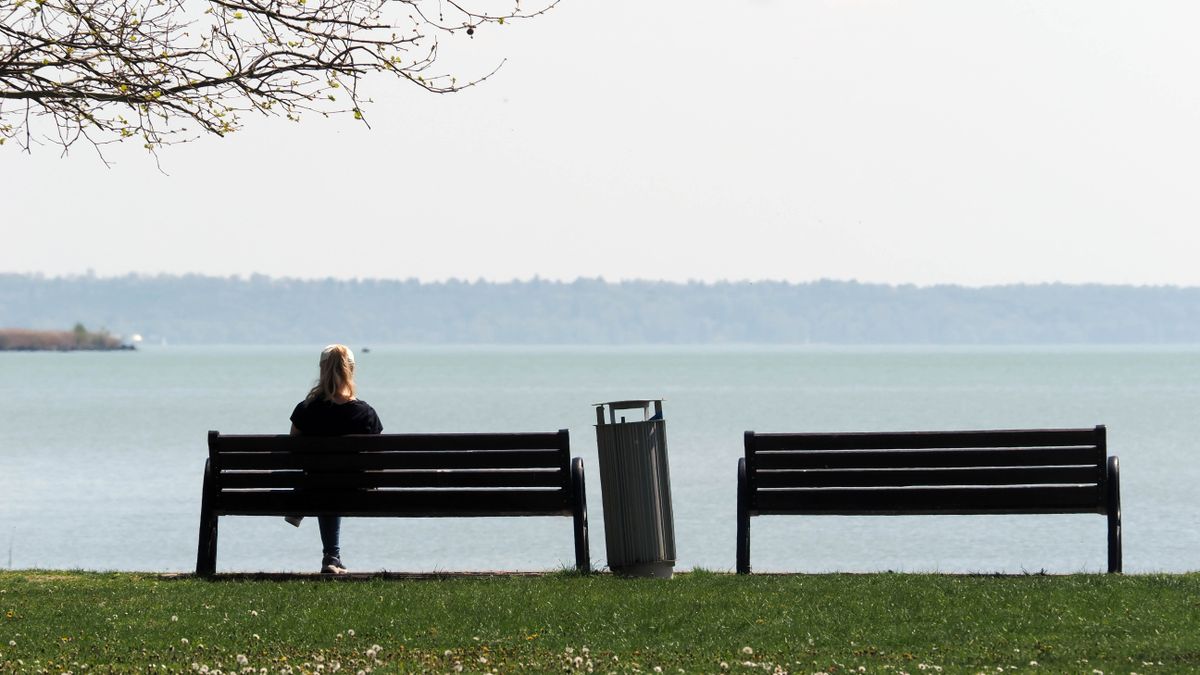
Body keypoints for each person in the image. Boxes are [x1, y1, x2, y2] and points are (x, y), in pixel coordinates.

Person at [287, 344, 383, 574]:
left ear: (322, 370)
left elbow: (292, 452)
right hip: (354, 490)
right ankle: (332, 556)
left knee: (322, 480)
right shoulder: (365, 413)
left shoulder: (306, 409)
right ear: (351, 370)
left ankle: (330, 552)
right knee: (333, 481)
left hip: (317, 488)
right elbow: (378, 462)